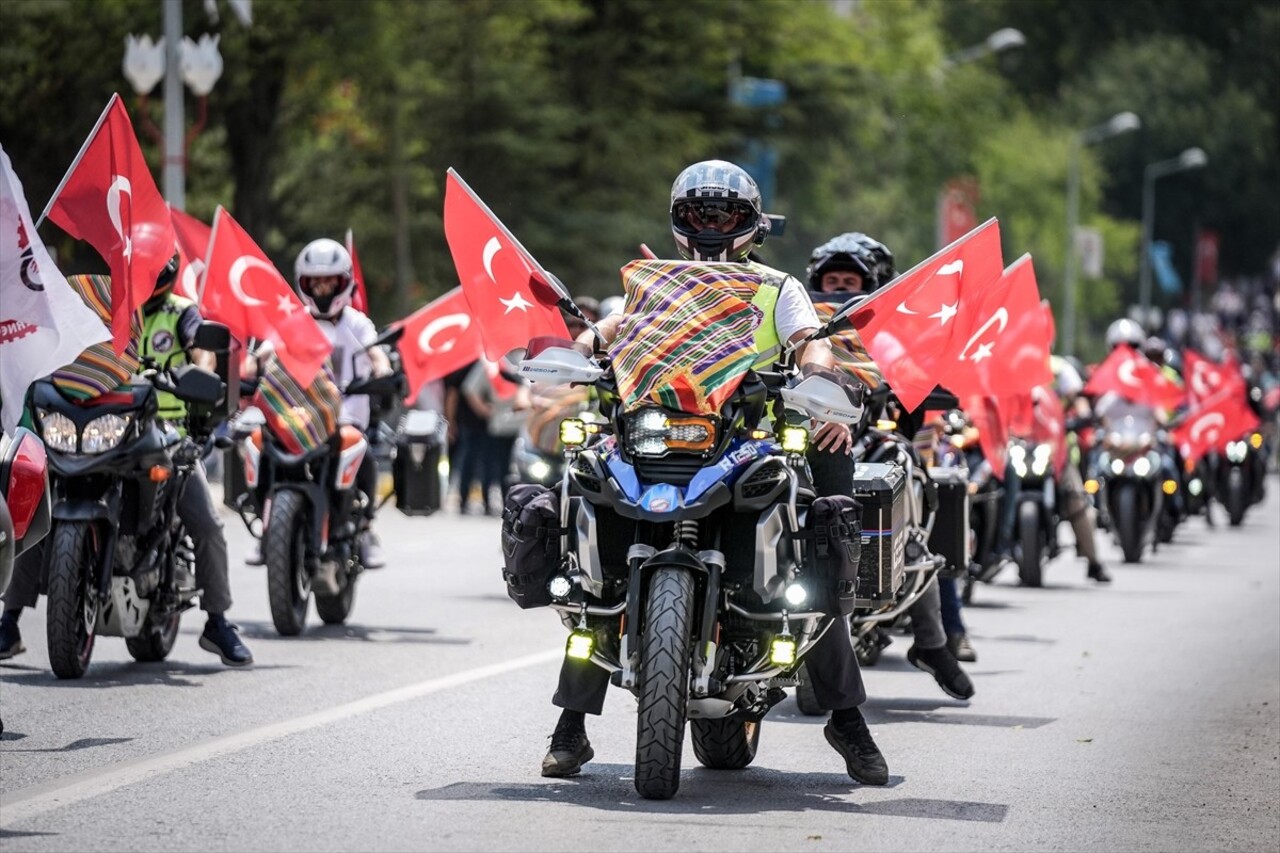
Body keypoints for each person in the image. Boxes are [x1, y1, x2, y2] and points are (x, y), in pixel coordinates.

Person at [542, 160, 889, 787]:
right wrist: (581, 348)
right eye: (698, 213)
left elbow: (810, 338)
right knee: (596, 565)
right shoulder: (656, 283)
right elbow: (614, 330)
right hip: (656, 439)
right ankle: (571, 725)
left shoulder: (776, 287)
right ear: (679, 222)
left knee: (817, 550)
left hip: (744, 437)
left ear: (749, 223)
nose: (710, 225)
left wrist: (820, 373)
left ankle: (846, 717)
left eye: (722, 214)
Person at [0, 243, 253, 666]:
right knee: (41, 506)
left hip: (164, 424)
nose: (146, 277)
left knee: (205, 521)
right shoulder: (101, 304)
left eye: (153, 270)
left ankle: (218, 621)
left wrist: (202, 372)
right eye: (139, 269)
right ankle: (9, 620)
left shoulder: (180, 311)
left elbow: (201, 347)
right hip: (96, 420)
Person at [805, 233, 980, 685]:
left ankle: (935, 641)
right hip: (796, 439)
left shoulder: (890, 333)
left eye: (850, 280)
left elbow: (923, 382)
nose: (840, 288)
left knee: (901, 469)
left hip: (864, 442)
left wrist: (909, 390)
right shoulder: (796, 322)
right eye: (832, 279)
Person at [293, 238, 392, 566]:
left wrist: (382, 371)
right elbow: (271, 350)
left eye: (329, 281)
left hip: (346, 417)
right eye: (315, 282)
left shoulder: (357, 323)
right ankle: (269, 528)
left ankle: (364, 527)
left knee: (359, 449)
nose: (322, 289)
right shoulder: (295, 320)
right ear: (304, 283)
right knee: (258, 439)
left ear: (343, 283)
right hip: (299, 415)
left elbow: (376, 353)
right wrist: (250, 367)